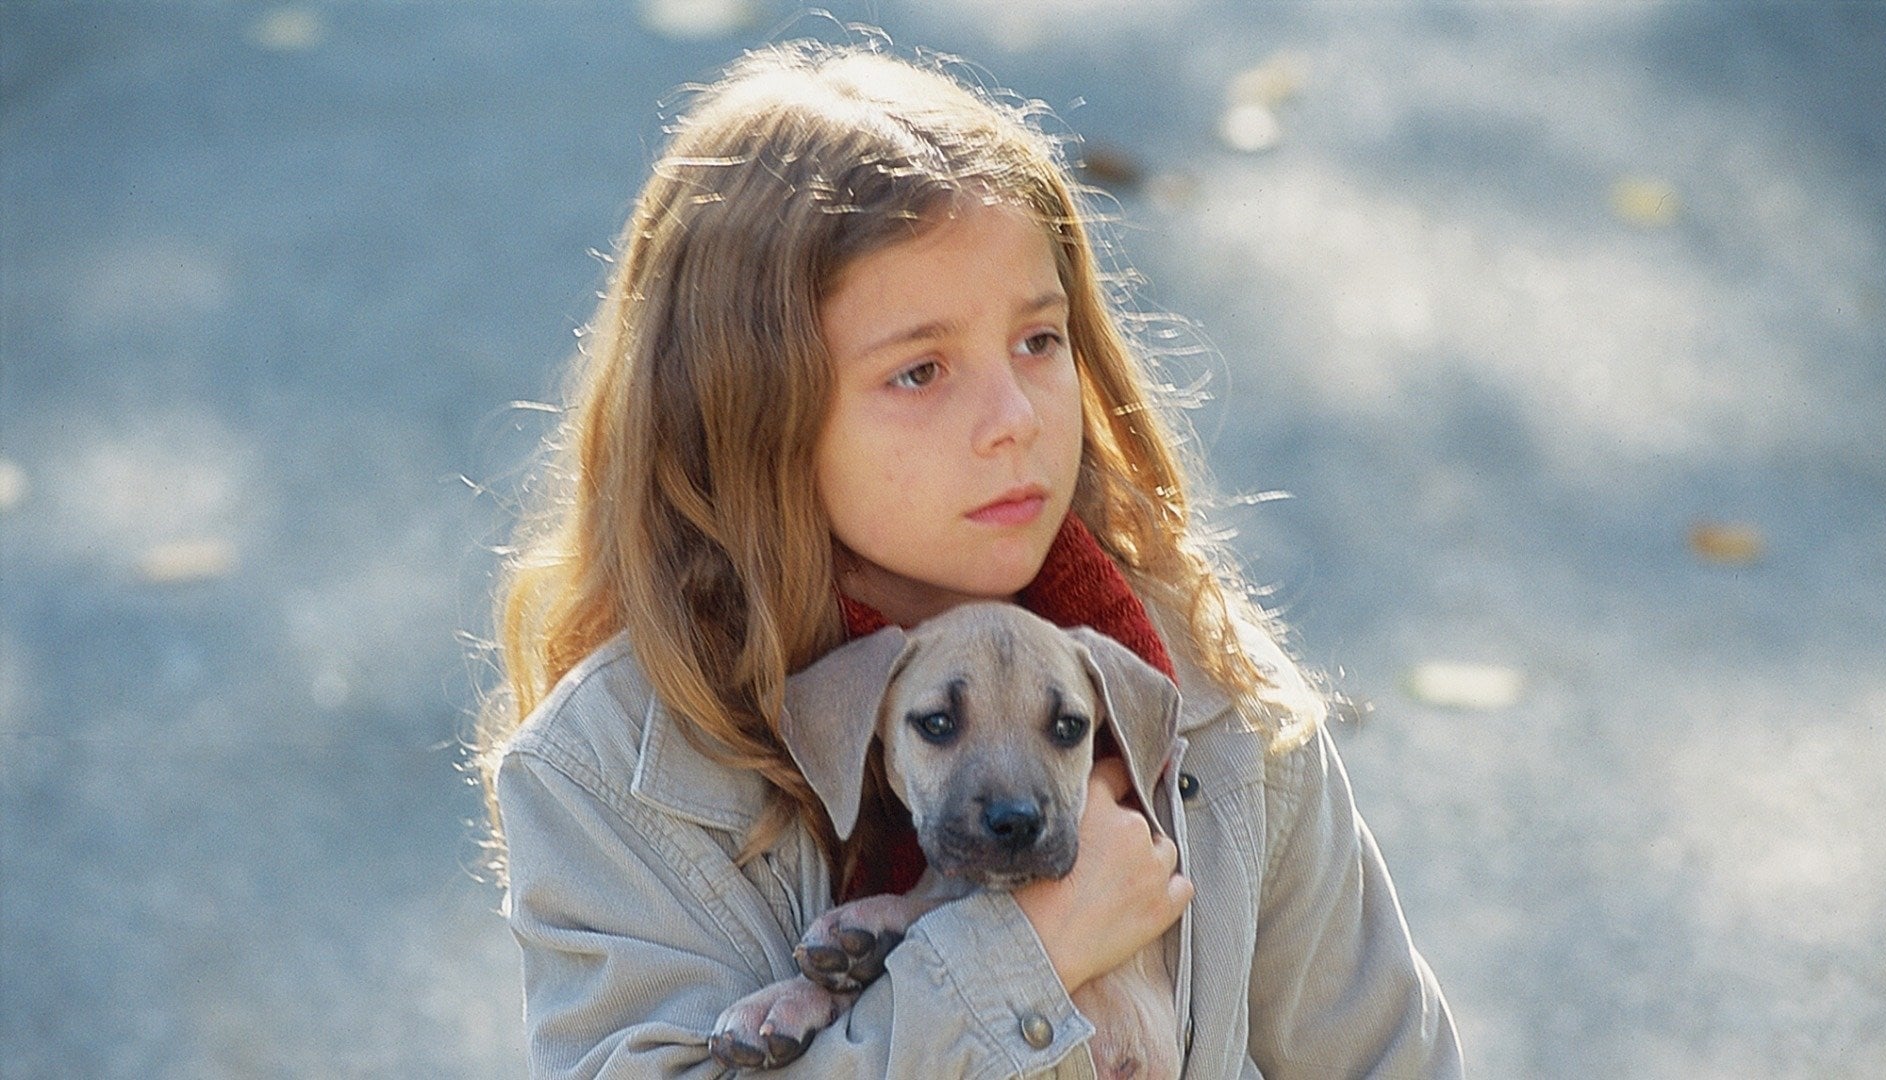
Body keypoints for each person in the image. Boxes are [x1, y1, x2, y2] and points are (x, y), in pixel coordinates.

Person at [474, 40, 1463, 1079]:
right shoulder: (604, 774)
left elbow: (1390, 1060)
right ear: (749, 414)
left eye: (1039, 342)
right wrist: (1018, 958)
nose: (1013, 419)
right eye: (922, 370)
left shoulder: (1207, 690)